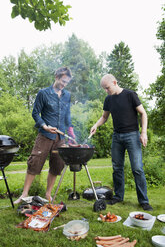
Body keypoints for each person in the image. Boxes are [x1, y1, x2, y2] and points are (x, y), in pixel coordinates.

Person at [90, 74, 153, 211]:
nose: (106, 91)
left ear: (114, 82)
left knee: (137, 168)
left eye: (107, 88)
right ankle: (118, 196)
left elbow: (143, 113)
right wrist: (96, 125)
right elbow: (104, 117)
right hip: (117, 137)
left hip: (132, 136)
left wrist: (143, 133)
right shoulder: (108, 99)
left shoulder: (130, 95)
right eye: (104, 89)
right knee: (117, 168)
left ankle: (144, 201)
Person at [14, 67, 76, 204]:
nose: (64, 84)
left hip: (60, 137)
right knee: (34, 162)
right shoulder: (43, 93)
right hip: (45, 135)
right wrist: (44, 126)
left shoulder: (66, 95)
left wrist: (70, 130)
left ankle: (48, 194)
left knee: (57, 164)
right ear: (56, 77)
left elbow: (67, 115)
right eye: (62, 81)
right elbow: (35, 113)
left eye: (66, 82)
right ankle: (24, 194)